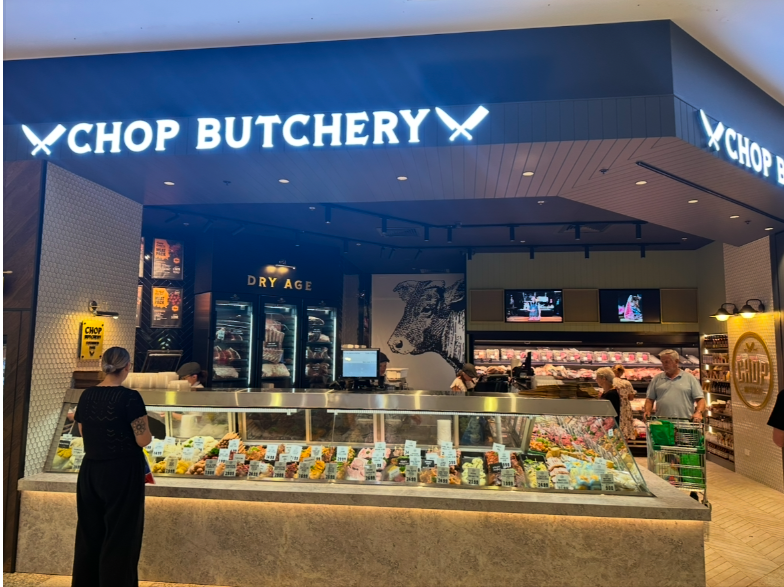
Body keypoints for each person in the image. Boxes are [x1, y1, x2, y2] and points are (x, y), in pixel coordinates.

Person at [72, 347, 151, 587]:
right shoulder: (130, 398)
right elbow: (143, 439)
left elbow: (82, 431)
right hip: (122, 472)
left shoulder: (86, 395)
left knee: (89, 533)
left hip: (91, 470)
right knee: (120, 536)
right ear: (127, 367)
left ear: (103, 365)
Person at [644, 349, 705, 421]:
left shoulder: (690, 378)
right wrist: (647, 411)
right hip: (663, 424)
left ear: (676, 361)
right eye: (662, 362)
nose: (664, 365)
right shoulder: (657, 379)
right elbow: (649, 399)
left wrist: (698, 412)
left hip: (685, 423)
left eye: (667, 362)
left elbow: (700, 399)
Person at [612, 364, 636, 440]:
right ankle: (624, 448)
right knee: (624, 429)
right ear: (622, 372)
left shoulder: (609, 382)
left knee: (612, 428)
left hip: (612, 407)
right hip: (624, 409)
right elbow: (631, 398)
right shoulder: (627, 383)